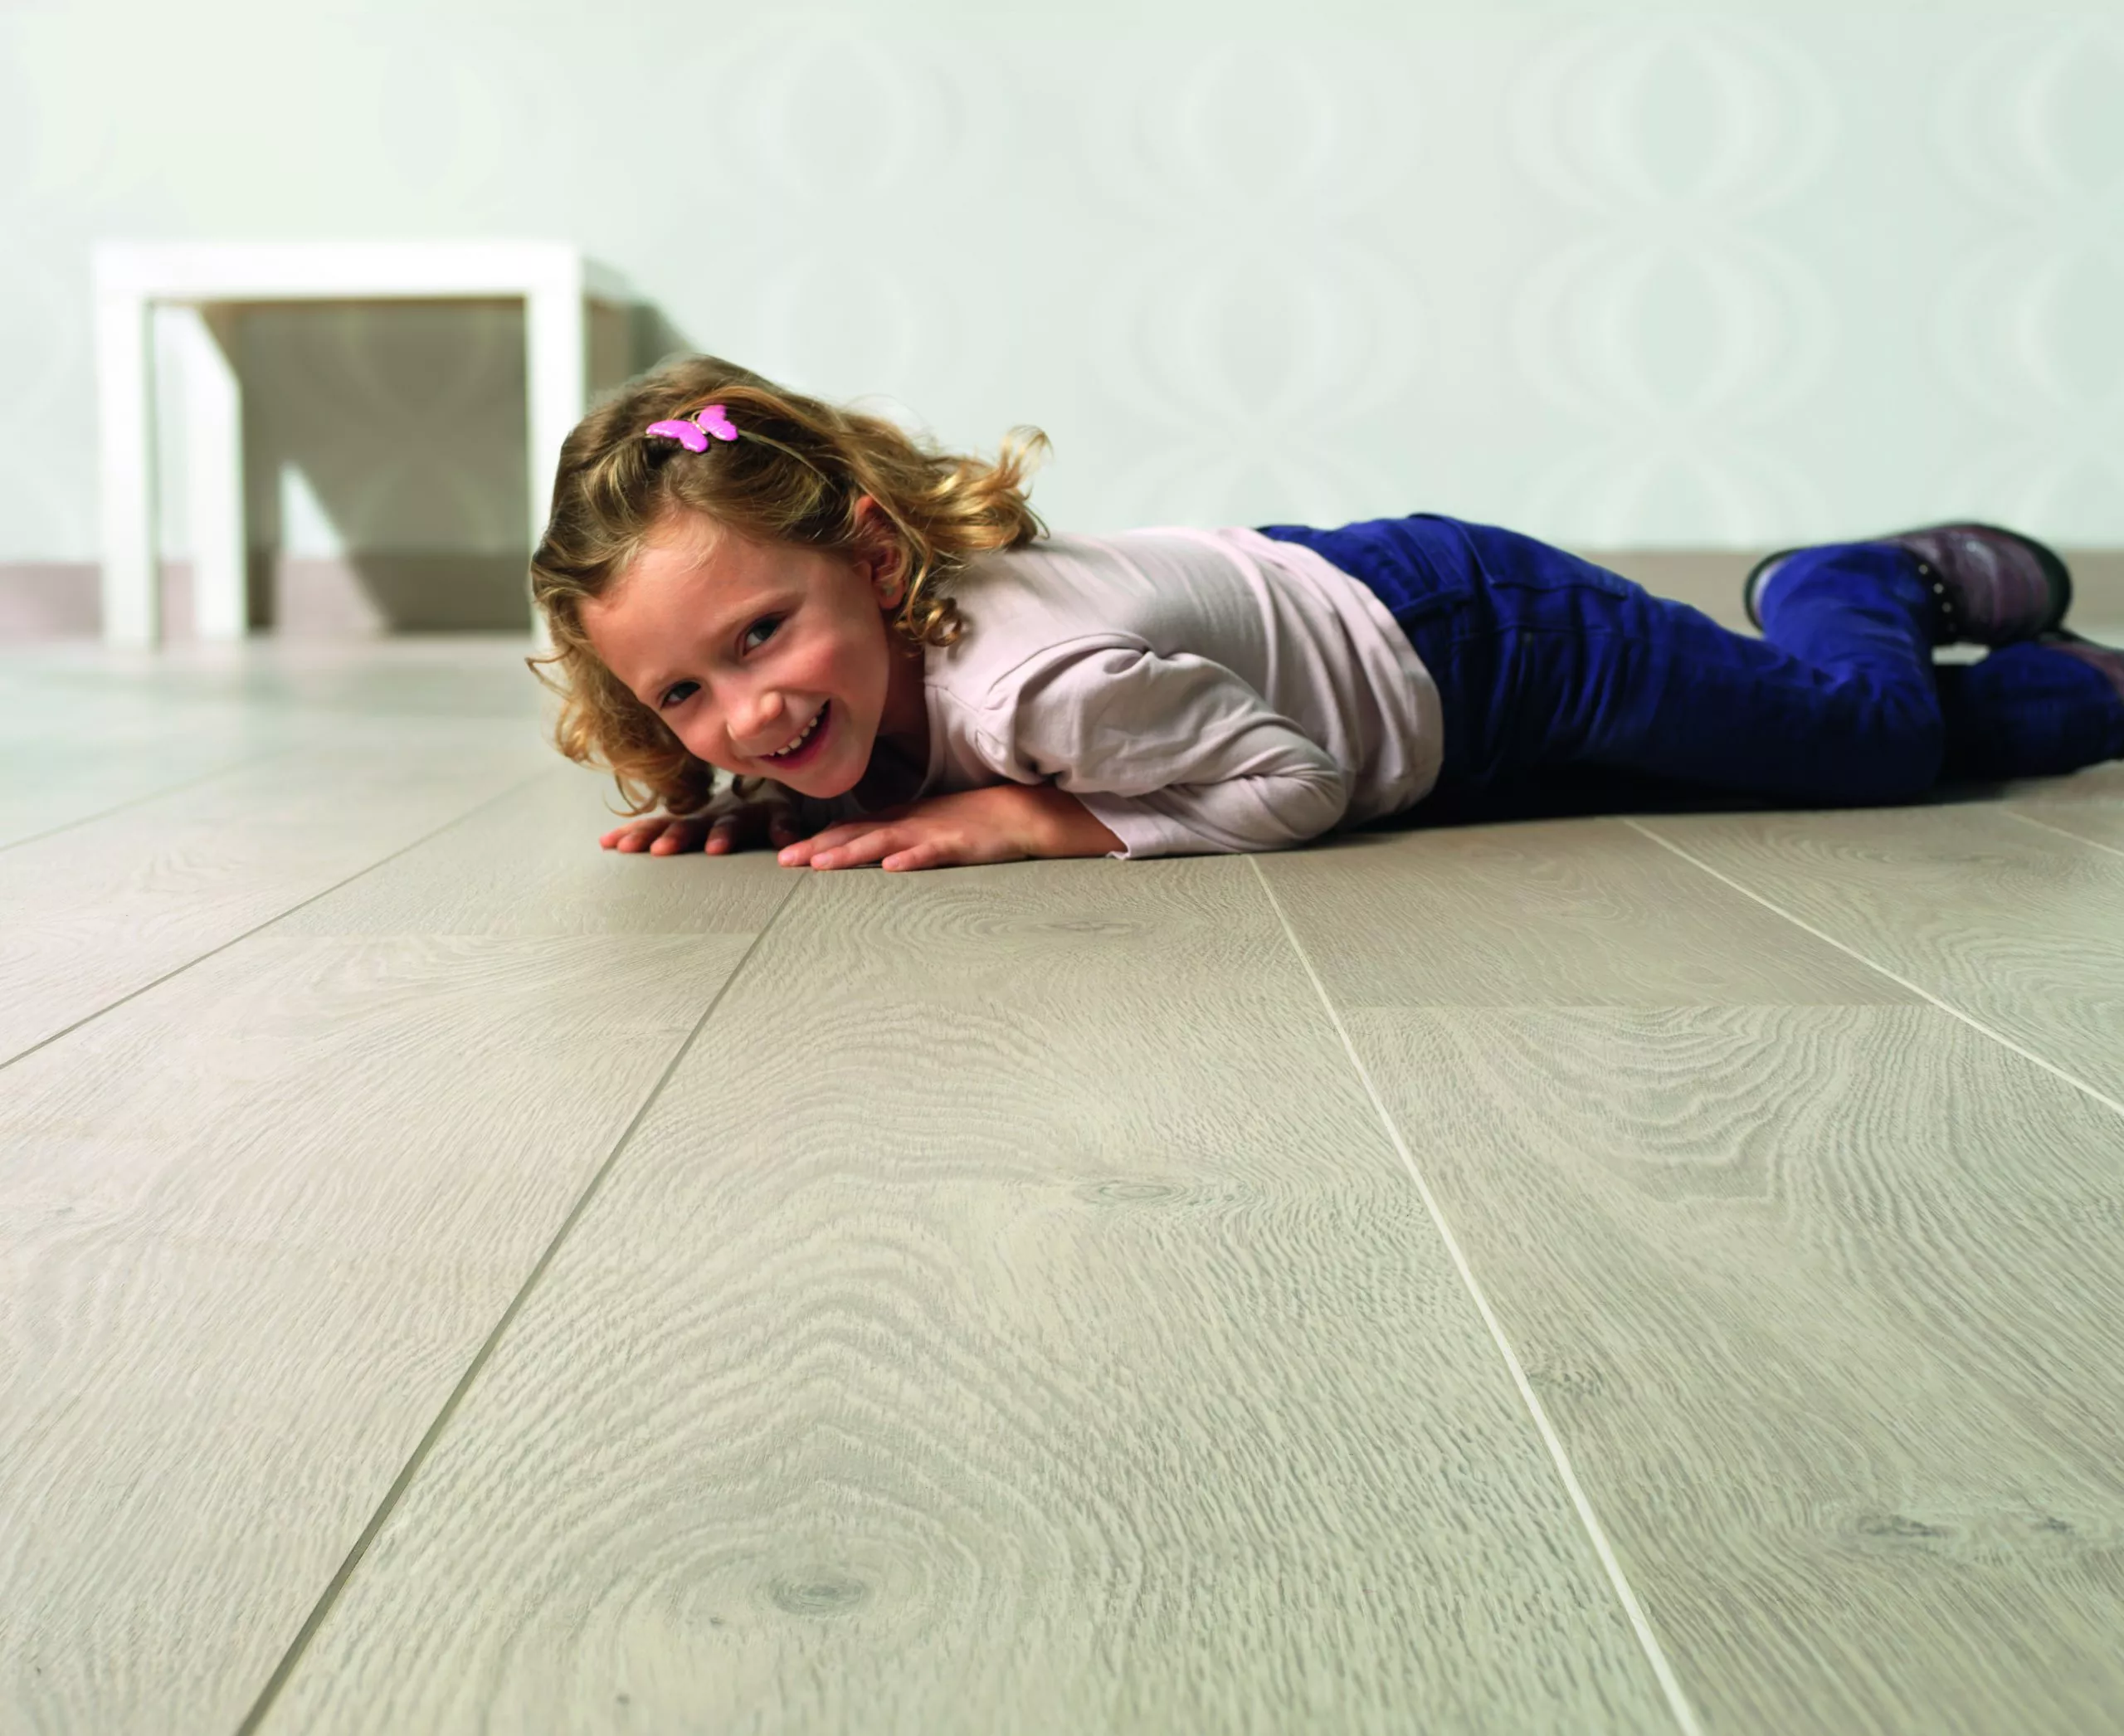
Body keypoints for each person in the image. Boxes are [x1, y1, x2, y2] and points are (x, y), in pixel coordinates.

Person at [528, 355, 2124, 871]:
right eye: (682, 696)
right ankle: (2086, 691)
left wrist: (1037, 821)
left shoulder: (1040, 697)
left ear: (878, 565)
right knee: (1779, 759)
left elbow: (1290, 780)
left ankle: (1850, 584)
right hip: (1379, 656)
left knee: (1862, 745)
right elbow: (841, 731)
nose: (744, 712)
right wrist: (779, 796)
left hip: (1493, 645)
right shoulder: (854, 680)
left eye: (761, 641)